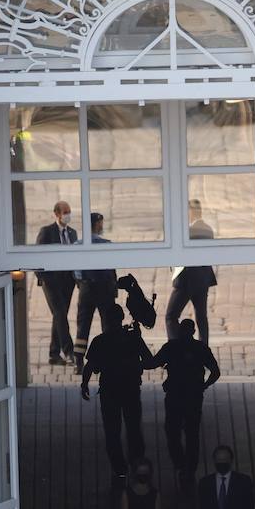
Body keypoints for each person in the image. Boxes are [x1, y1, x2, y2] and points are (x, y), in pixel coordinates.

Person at [81, 304, 153, 483]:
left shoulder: (100, 341)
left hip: (109, 391)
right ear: (121, 318)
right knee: (134, 428)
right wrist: (134, 365)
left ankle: (120, 470)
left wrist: (84, 384)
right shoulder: (132, 338)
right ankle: (136, 463)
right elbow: (150, 360)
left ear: (105, 320)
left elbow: (90, 366)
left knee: (112, 432)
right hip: (130, 389)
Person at [147, 317, 220, 481]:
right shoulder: (200, 348)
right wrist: (204, 386)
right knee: (192, 433)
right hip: (193, 396)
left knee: (172, 431)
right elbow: (215, 372)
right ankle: (190, 467)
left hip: (174, 395)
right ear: (193, 332)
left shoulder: (171, 347)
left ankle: (180, 464)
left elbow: (152, 363)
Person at [166, 200, 217, 346]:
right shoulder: (208, 228)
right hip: (203, 278)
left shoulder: (188, 230)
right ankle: (204, 348)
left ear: (191, 212)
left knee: (171, 316)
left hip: (187, 279)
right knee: (201, 317)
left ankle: (174, 348)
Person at [73, 211, 119, 373]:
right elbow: (111, 268)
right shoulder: (107, 244)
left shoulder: (78, 245)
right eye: (101, 223)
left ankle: (78, 361)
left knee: (83, 325)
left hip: (86, 288)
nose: (102, 226)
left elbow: (76, 270)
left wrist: (82, 284)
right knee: (108, 324)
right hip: (104, 288)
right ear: (97, 224)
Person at [35, 200, 79, 366]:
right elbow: (38, 255)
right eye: (65, 212)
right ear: (57, 214)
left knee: (59, 316)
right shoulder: (47, 232)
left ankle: (54, 354)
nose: (68, 215)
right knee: (60, 313)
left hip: (68, 281)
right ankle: (69, 351)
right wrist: (42, 277)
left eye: (69, 211)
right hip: (51, 282)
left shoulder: (72, 233)